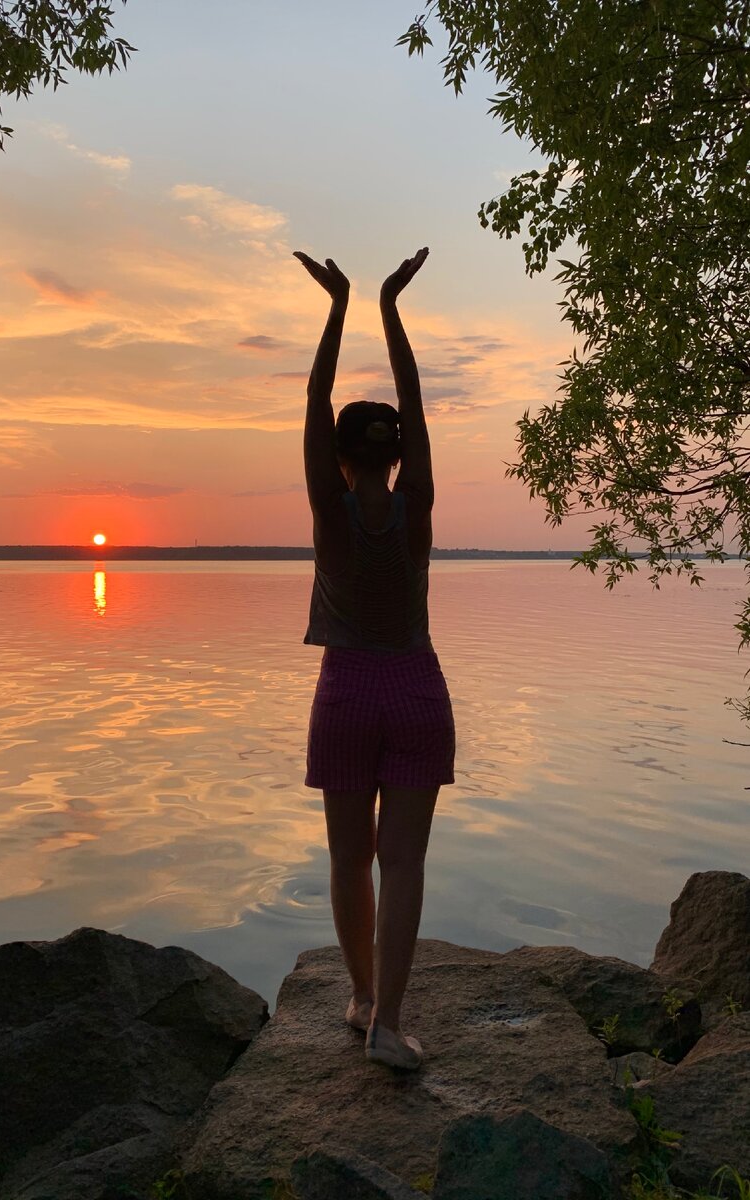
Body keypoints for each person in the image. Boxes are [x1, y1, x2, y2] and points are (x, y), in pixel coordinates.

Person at [293, 246, 456, 1071]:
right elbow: (418, 405)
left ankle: (359, 1000)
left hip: (347, 692)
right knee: (405, 861)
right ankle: (390, 1023)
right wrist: (391, 308)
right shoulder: (416, 506)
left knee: (351, 858)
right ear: (394, 457)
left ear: (342, 457)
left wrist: (340, 304)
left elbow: (316, 397)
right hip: (417, 685)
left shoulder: (329, 508)